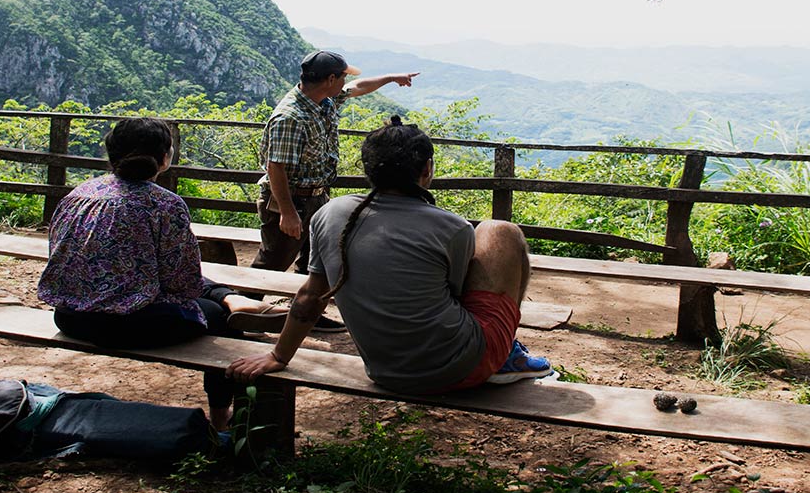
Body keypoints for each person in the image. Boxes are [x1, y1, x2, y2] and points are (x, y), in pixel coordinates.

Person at [227, 116, 553, 394]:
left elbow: (310, 296)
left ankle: (500, 350)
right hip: (461, 368)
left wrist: (279, 356)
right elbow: (457, 296)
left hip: (384, 371)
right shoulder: (452, 227)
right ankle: (505, 352)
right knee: (499, 232)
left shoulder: (330, 213)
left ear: (369, 169)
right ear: (427, 169)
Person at [37, 117, 287, 433]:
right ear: (166, 158)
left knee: (180, 284)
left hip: (69, 316)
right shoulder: (164, 205)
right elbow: (183, 283)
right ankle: (223, 418)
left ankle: (230, 298)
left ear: (111, 154)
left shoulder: (78, 195)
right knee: (225, 326)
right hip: (126, 323)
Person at [250, 49, 419, 331]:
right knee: (274, 260)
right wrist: (288, 213)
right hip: (291, 200)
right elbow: (275, 168)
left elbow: (358, 87)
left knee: (312, 261)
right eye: (342, 77)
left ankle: (307, 313)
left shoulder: (323, 100)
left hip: (316, 197)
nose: (345, 82)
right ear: (330, 79)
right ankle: (240, 306)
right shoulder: (290, 117)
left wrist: (391, 78)